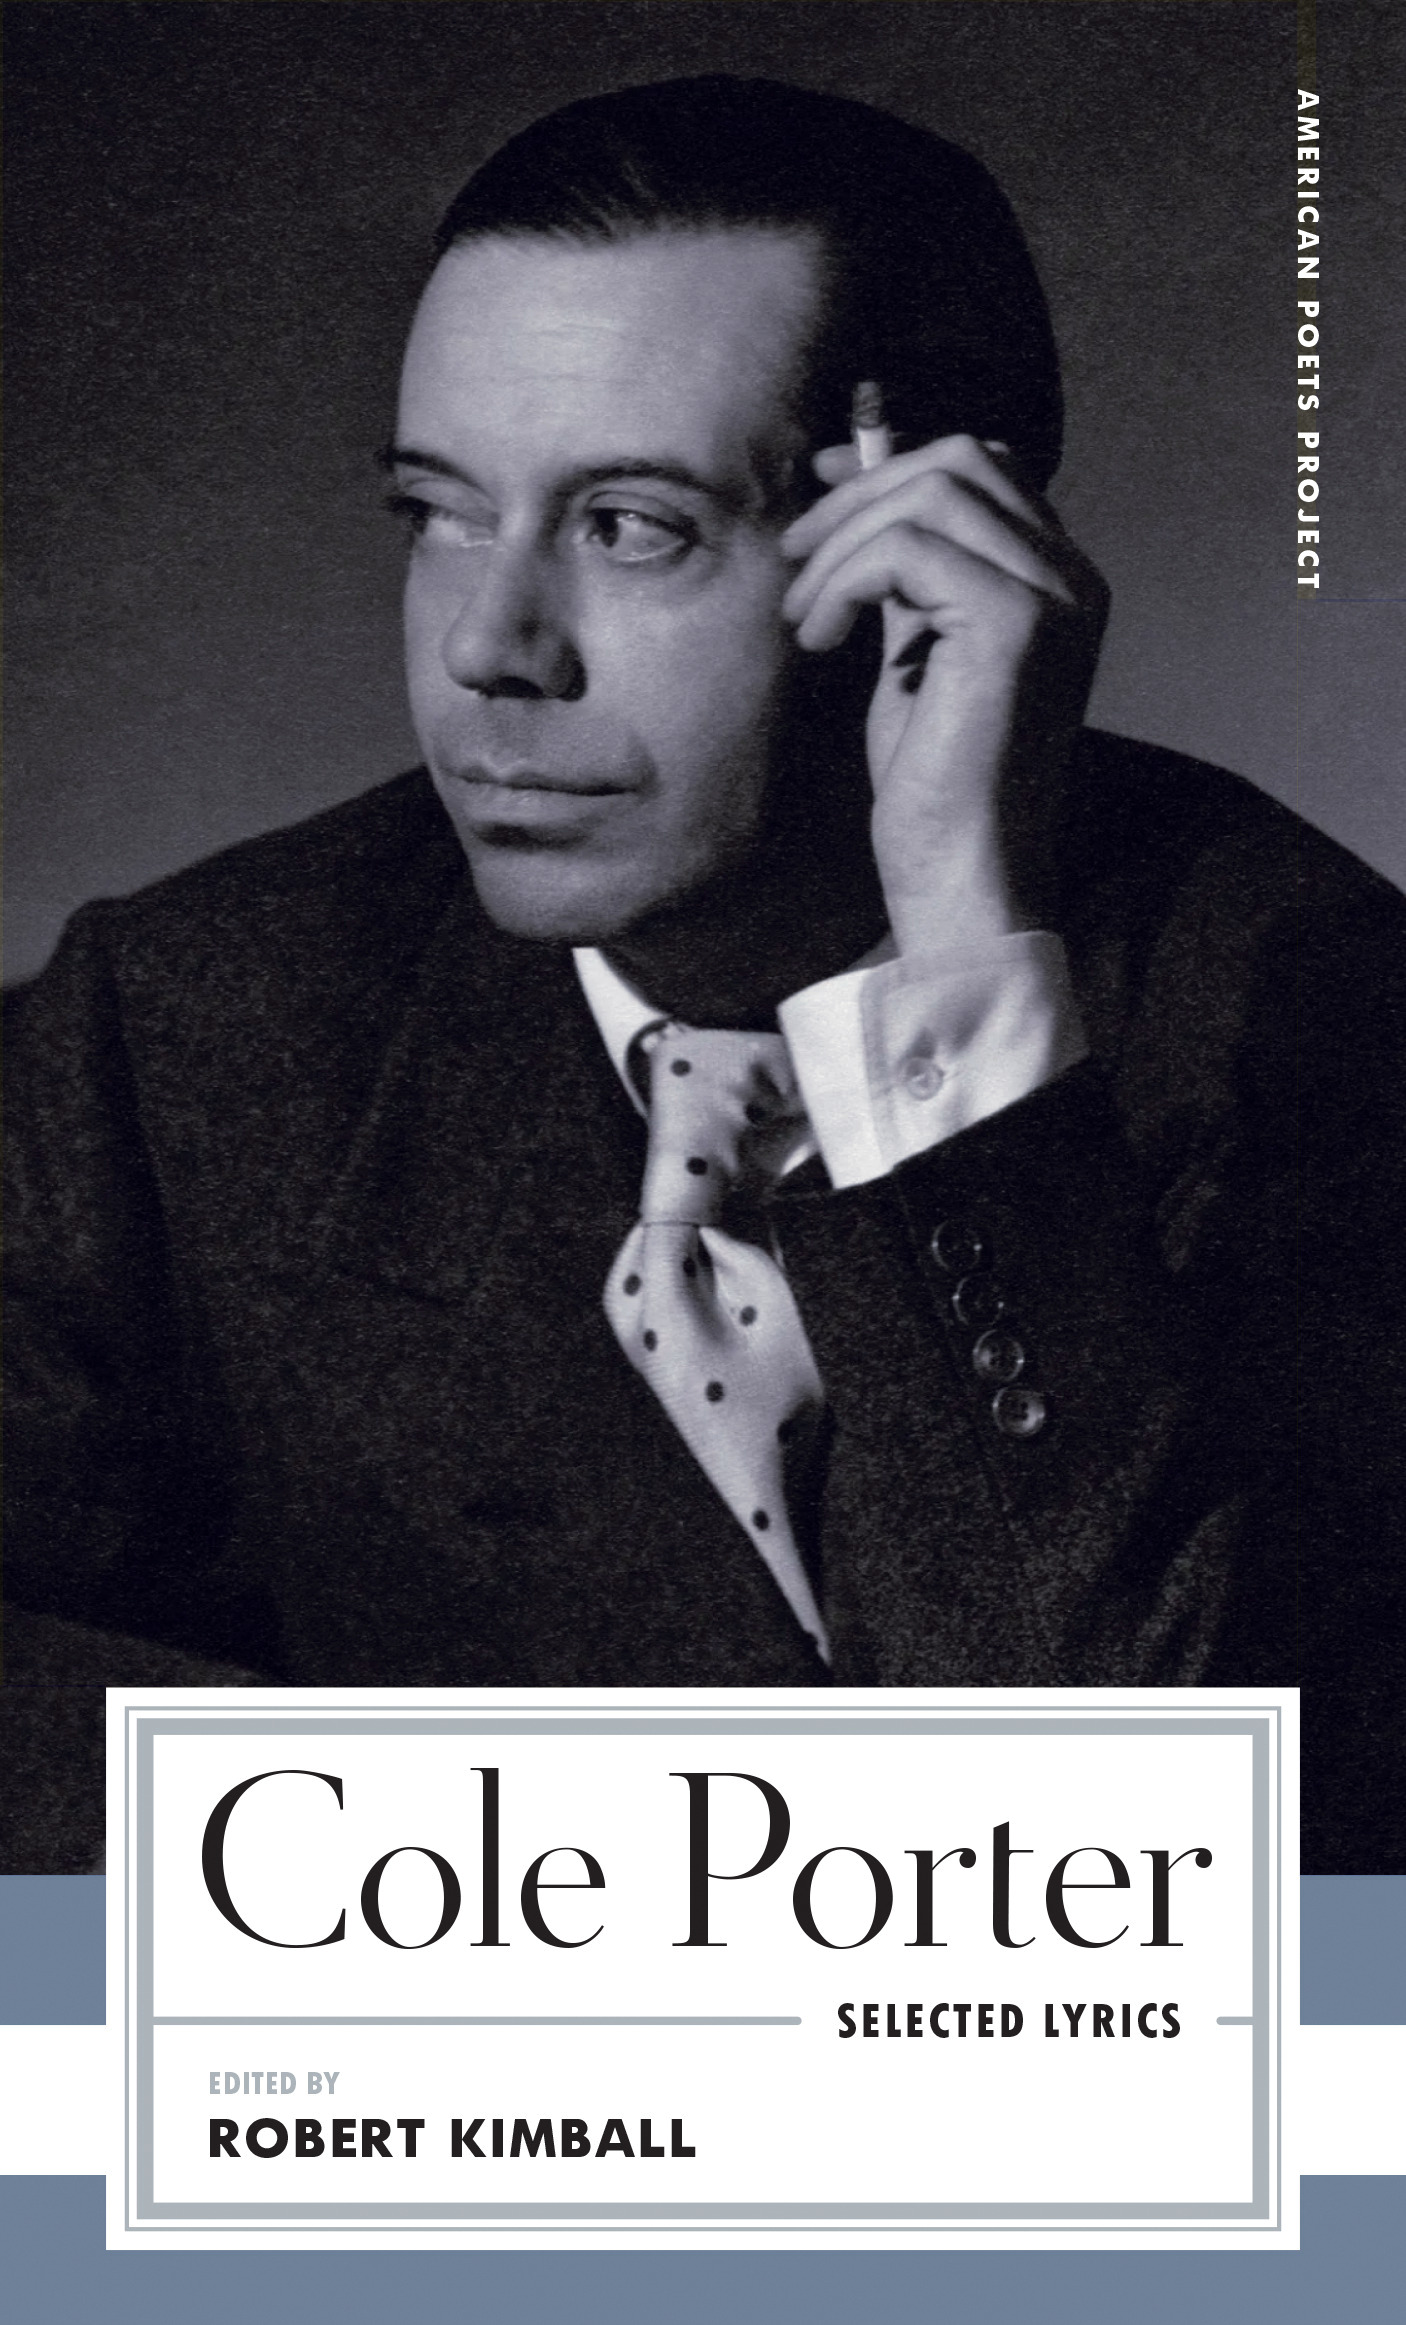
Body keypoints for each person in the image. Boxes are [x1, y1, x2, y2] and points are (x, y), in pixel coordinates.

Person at [5, 77, 1404, 1873]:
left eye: (629, 526)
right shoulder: (183, 1024)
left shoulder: (1313, 1020)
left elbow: (1161, 1848)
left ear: (924, 543)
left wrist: (957, 949)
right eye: (441, 513)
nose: (490, 646)